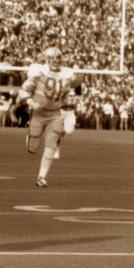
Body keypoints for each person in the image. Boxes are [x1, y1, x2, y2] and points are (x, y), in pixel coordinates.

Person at [16, 47, 82, 187]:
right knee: (33, 147)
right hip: (39, 113)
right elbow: (23, 90)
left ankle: (41, 177)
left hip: (55, 114)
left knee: (51, 144)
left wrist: (65, 101)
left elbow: (64, 94)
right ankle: (31, 138)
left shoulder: (67, 75)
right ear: (46, 60)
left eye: (57, 59)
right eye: (51, 59)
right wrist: (32, 103)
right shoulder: (39, 72)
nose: (55, 62)